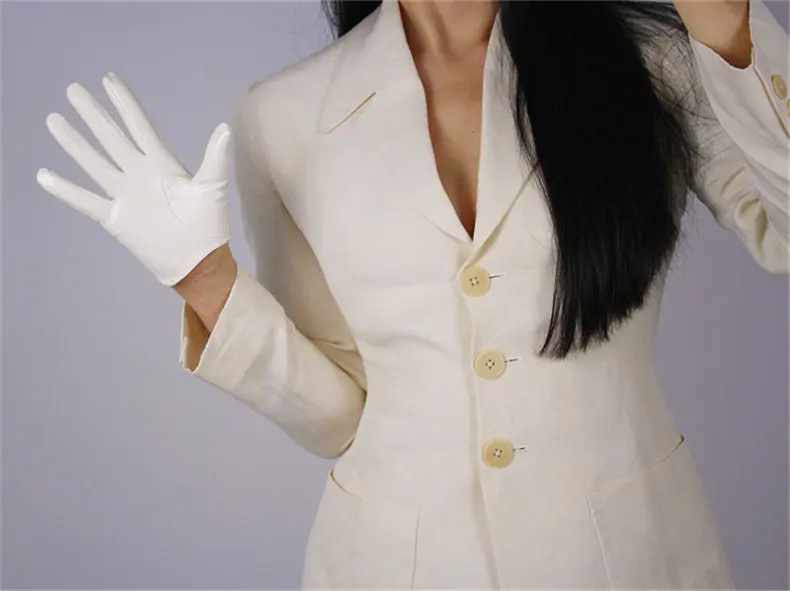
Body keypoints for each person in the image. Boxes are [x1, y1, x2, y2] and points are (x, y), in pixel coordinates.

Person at [36, 0, 788, 588]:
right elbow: (338, 415)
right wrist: (207, 280)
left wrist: (727, 23)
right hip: (392, 566)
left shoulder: (653, 61)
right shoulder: (285, 114)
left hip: (630, 557)